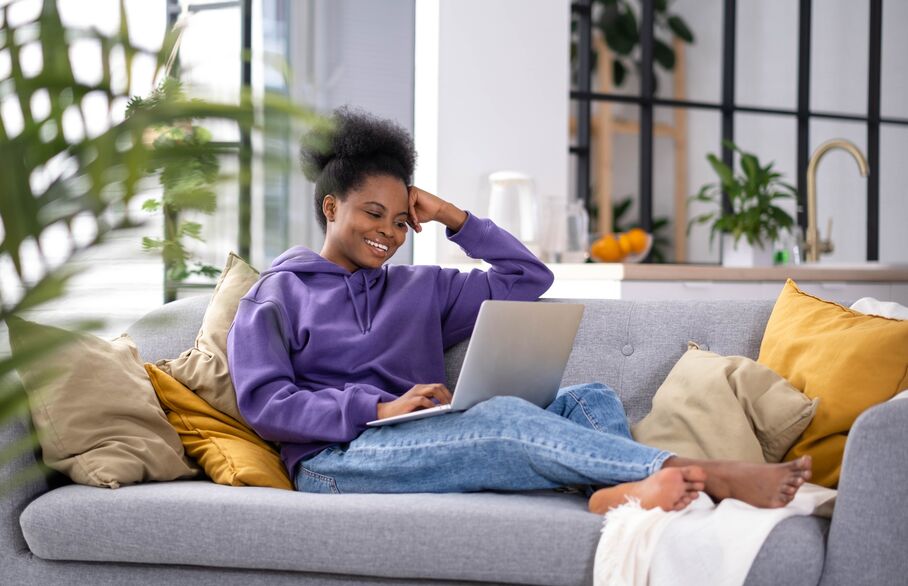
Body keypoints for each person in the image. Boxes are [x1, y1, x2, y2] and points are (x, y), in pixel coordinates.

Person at [226, 106, 811, 514]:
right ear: (331, 206)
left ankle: (610, 494)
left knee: (592, 399)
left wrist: (456, 218)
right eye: (372, 214)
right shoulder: (274, 295)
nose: (389, 232)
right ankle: (703, 473)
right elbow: (267, 405)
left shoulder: (420, 288)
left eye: (401, 220)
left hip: (420, 434)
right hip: (338, 462)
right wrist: (377, 408)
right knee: (503, 422)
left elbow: (528, 277)